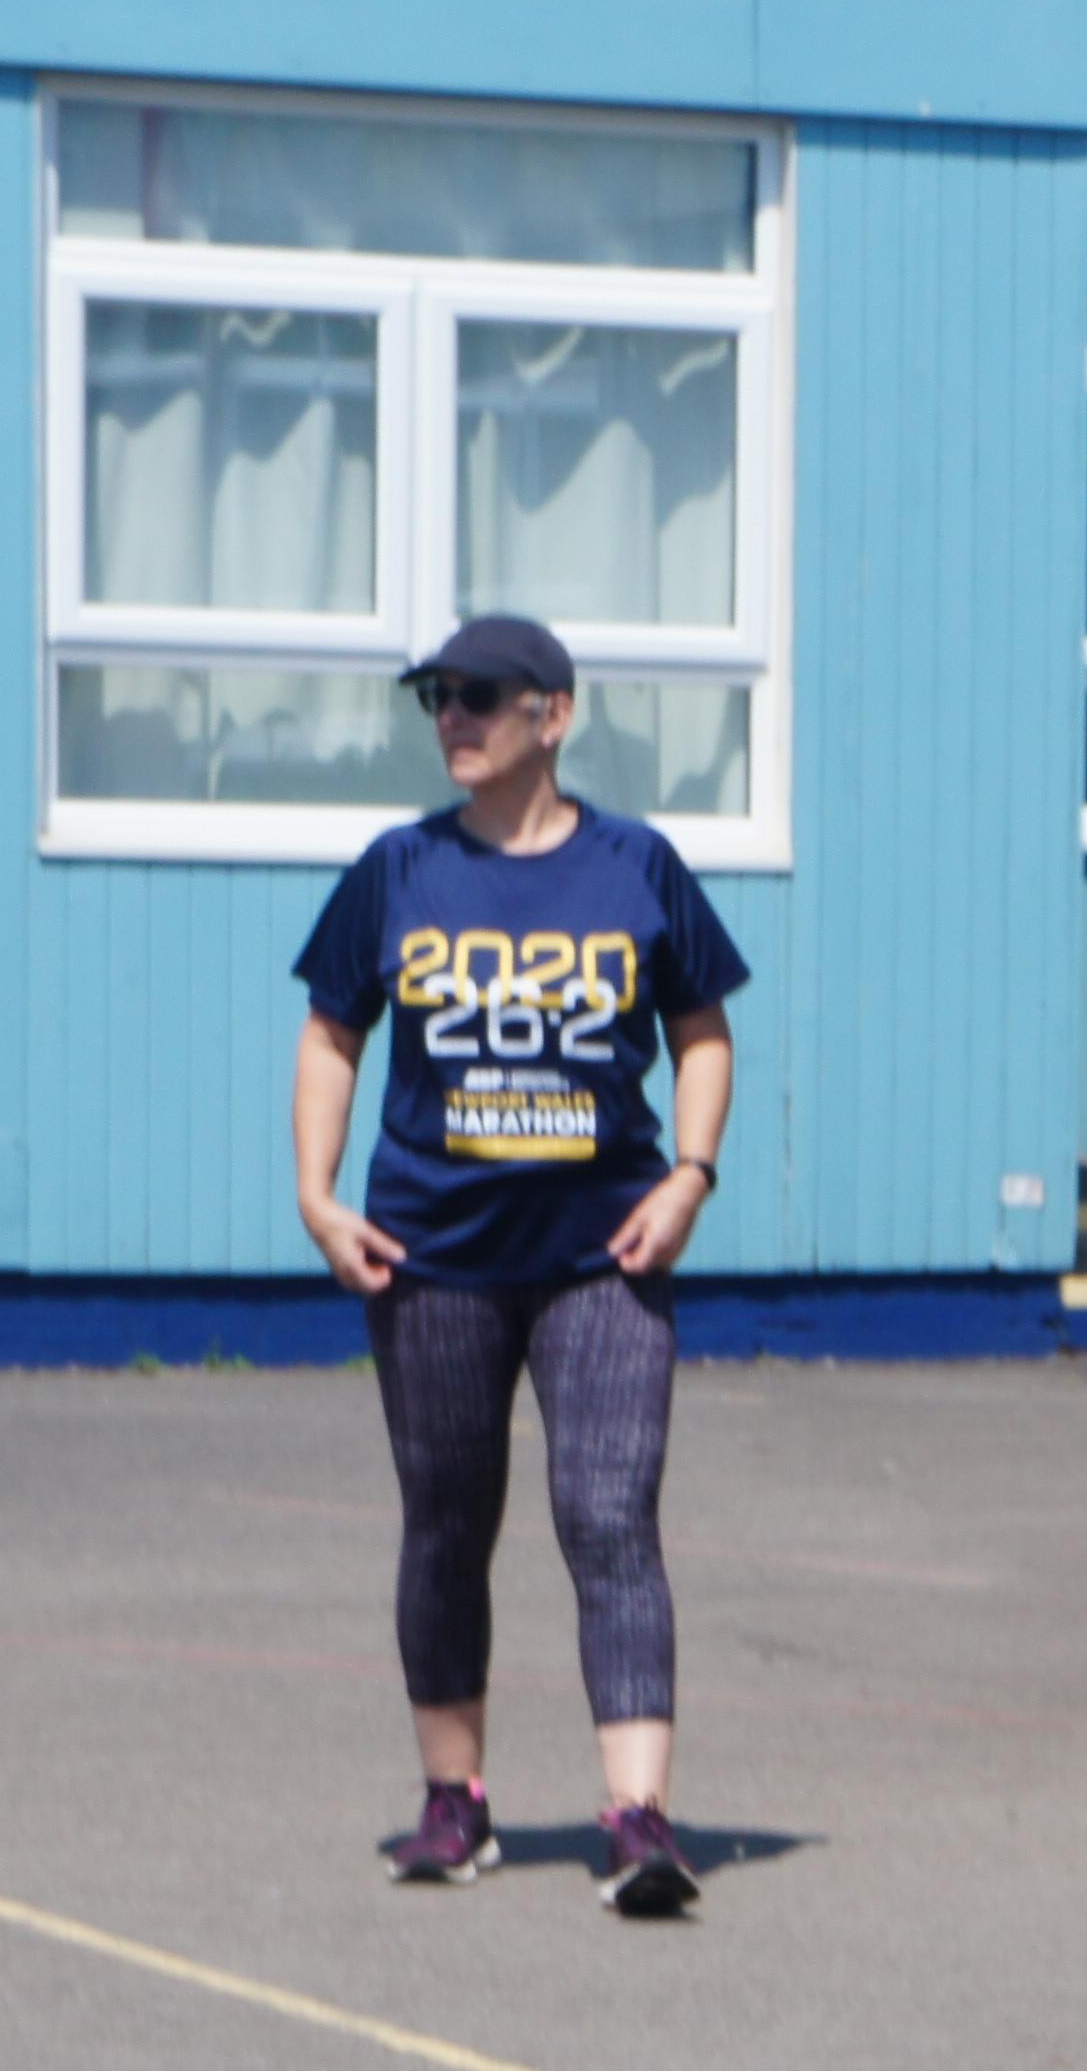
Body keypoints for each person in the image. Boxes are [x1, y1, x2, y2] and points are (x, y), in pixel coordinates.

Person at [287, 615, 745, 1916]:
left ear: (555, 713)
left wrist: (690, 1177)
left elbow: (702, 1032)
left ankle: (639, 1821)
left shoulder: (636, 866)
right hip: (430, 1258)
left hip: (604, 1256)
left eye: (480, 695)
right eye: (438, 696)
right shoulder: (399, 870)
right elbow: (332, 1036)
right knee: (447, 1522)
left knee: (609, 1517)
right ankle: (457, 1802)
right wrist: (319, 1200)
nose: (453, 716)